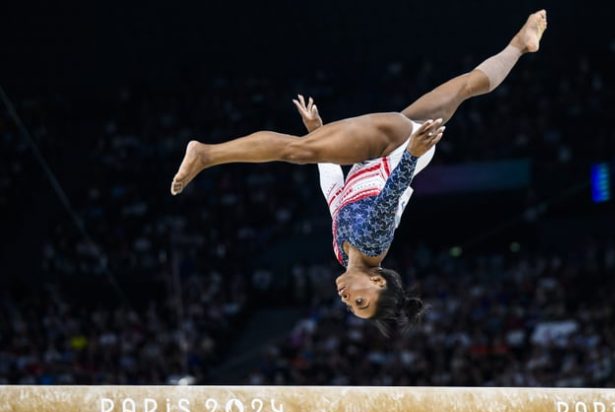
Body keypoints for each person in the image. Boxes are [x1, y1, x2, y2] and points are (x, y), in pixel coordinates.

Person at [170, 10, 548, 335]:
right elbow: (389, 194)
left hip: (395, 145)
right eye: (361, 300)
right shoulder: (372, 245)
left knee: (466, 87)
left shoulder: (342, 250)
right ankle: (206, 154)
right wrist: (411, 154)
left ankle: (519, 43)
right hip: (394, 149)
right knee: (295, 152)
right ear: (377, 279)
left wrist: (320, 134)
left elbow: (335, 190)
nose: (348, 301)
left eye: (353, 307)